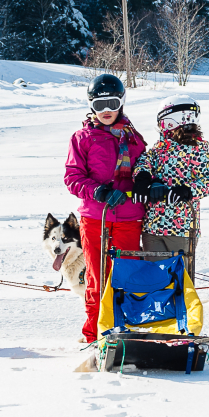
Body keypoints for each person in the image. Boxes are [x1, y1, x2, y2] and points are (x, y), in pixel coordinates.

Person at [62, 73, 148, 344]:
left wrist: (143, 181)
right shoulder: (82, 137)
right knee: (97, 278)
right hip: (95, 217)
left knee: (127, 274)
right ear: (91, 106)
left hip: (128, 217)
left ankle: (126, 329)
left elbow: (145, 168)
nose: (107, 111)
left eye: (112, 103)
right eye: (100, 105)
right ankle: (94, 334)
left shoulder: (134, 138)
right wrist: (97, 191)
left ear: (121, 102)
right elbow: (72, 177)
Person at [133, 95, 209, 281]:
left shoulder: (196, 150)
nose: (162, 128)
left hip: (181, 228)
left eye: (163, 123)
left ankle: (182, 311)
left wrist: (187, 191)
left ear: (172, 121)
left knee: (179, 282)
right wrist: (145, 179)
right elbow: (143, 163)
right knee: (155, 280)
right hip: (153, 227)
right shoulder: (159, 148)